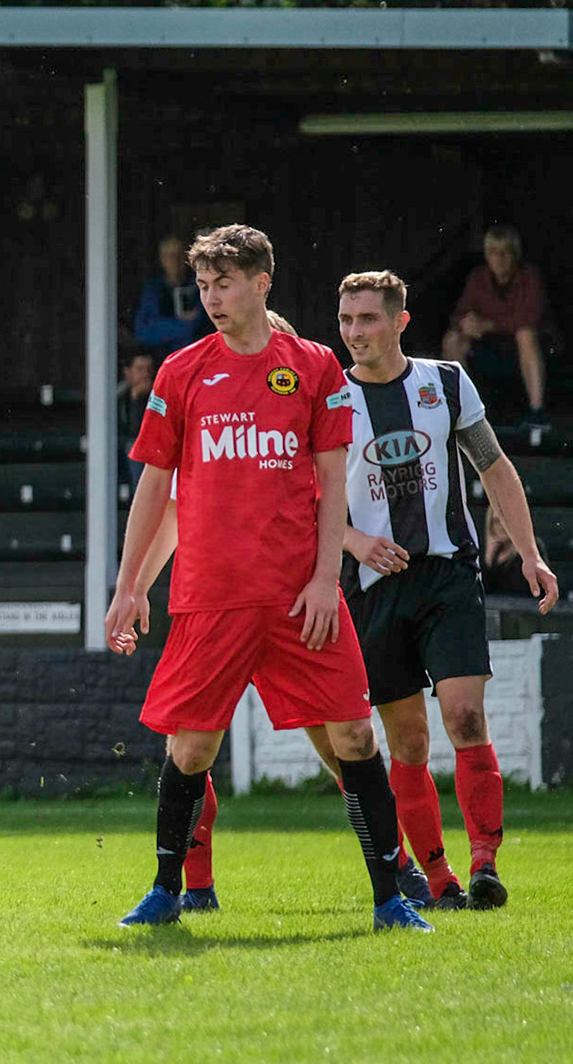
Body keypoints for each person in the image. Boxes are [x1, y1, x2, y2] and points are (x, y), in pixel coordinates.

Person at [105, 224, 431, 932]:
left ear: (261, 283)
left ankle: (391, 899)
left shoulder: (313, 367)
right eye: (203, 285)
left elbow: (332, 483)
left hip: (299, 598)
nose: (211, 298)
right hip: (209, 597)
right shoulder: (180, 373)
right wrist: (129, 586)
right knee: (191, 748)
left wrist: (324, 578)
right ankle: (166, 892)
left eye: (223, 284)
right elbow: (155, 488)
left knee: (354, 739)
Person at [298, 270, 557, 911]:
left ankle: (486, 864)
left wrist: (530, 553)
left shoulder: (445, 382)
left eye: (367, 318)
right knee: (409, 742)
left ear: (400, 321)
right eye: (346, 319)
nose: (354, 332)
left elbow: (493, 466)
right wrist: (356, 543)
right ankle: (439, 882)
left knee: (465, 716)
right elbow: (305, 498)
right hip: (372, 587)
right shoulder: (329, 397)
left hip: (447, 575)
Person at [442, 226, 551, 428]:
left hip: (524, 346)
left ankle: (537, 412)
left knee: (525, 334)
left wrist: (490, 324)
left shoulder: (529, 276)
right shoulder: (478, 277)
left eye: (505, 252)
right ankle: (466, 409)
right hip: (488, 343)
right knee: (453, 339)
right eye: (493, 252)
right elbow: (459, 314)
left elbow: (529, 319)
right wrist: (465, 323)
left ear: (515, 255)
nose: (499, 259)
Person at [132, 234, 208, 358]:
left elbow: (204, 328)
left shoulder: (200, 286)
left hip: (196, 358)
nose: (173, 261)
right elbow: (142, 333)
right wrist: (184, 325)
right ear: (161, 259)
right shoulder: (153, 290)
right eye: (167, 255)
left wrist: (161, 327)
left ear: (187, 258)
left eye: (178, 255)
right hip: (161, 360)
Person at [117, 351, 157, 486]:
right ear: (127, 372)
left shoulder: (160, 394)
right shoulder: (118, 396)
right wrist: (135, 399)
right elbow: (131, 430)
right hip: (124, 447)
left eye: (148, 369)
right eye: (140, 369)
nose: (145, 374)